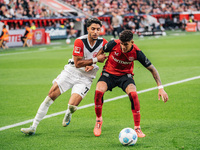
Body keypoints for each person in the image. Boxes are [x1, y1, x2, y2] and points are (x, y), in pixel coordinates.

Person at [21, 18, 108, 135]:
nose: (96, 32)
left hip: (86, 77)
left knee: (72, 105)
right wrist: (95, 60)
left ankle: (69, 112)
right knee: (50, 95)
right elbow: (78, 63)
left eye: (98, 29)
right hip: (71, 71)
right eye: (93, 29)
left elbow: (104, 53)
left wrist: (93, 64)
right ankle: (33, 127)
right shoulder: (79, 41)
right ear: (88, 29)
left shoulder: (103, 42)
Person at [93, 30, 168, 138]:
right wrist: (95, 61)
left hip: (125, 76)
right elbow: (102, 50)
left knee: (133, 94)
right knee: (98, 91)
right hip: (108, 74)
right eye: (122, 44)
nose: (123, 47)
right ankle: (98, 120)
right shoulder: (113, 44)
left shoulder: (137, 52)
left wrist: (160, 88)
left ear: (132, 42)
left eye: (126, 44)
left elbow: (153, 69)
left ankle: (137, 128)